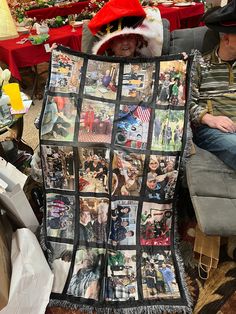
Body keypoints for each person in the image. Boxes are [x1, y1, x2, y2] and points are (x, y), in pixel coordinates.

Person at [190, 0, 236, 171]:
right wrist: (209, 119)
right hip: (212, 129)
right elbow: (186, 104)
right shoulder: (200, 64)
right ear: (226, 39)